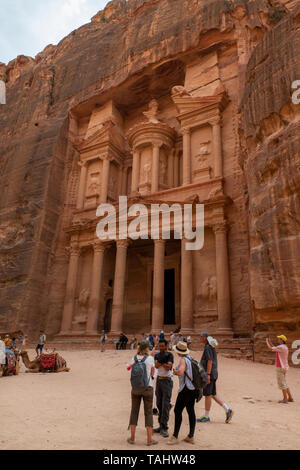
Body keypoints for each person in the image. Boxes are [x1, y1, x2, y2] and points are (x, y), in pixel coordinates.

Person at [197, 332, 233, 424]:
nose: (200, 338)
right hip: (213, 373)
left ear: (205, 338)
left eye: (201, 337)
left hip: (210, 374)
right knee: (212, 394)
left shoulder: (208, 347)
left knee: (208, 395)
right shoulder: (210, 346)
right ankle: (228, 410)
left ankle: (206, 416)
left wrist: (208, 375)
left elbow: (209, 361)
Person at [167, 341, 198, 445]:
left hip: (185, 389)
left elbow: (180, 372)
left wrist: (175, 372)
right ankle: (191, 436)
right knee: (190, 410)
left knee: (177, 410)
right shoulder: (191, 358)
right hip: (193, 388)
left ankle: (175, 436)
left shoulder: (183, 360)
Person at [128, 340, 158, 446]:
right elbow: (153, 371)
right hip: (147, 387)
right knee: (148, 413)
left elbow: (128, 368)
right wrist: (151, 377)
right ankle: (149, 440)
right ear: (147, 348)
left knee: (134, 412)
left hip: (135, 388)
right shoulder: (150, 359)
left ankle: (132, 438)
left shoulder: (134, 358)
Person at [153, 339, 174, 437]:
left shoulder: (170, 355)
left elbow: (168, 367)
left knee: (165, 404)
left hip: (167, 381)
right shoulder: (157, 355)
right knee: (159, 403)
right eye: (159, 346)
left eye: (162, 346)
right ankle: (160, 425)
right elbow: (156, 366)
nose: (161, 348)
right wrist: (163, 363)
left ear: (166, 346)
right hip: (159, 380)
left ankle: (164, 427)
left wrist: (161, 363)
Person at [266, 335, 294, 403]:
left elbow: (270, 348)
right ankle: (290, 397)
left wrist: (266, 341)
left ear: (282, 340)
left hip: (280, 367)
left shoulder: (281, 347)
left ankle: (285, 399)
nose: (278, 340)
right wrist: (270, 341)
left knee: (282, 383)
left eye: (279, 339)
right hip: (284, 367)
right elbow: (274, 347)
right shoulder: (284, 347)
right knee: (284, 383)